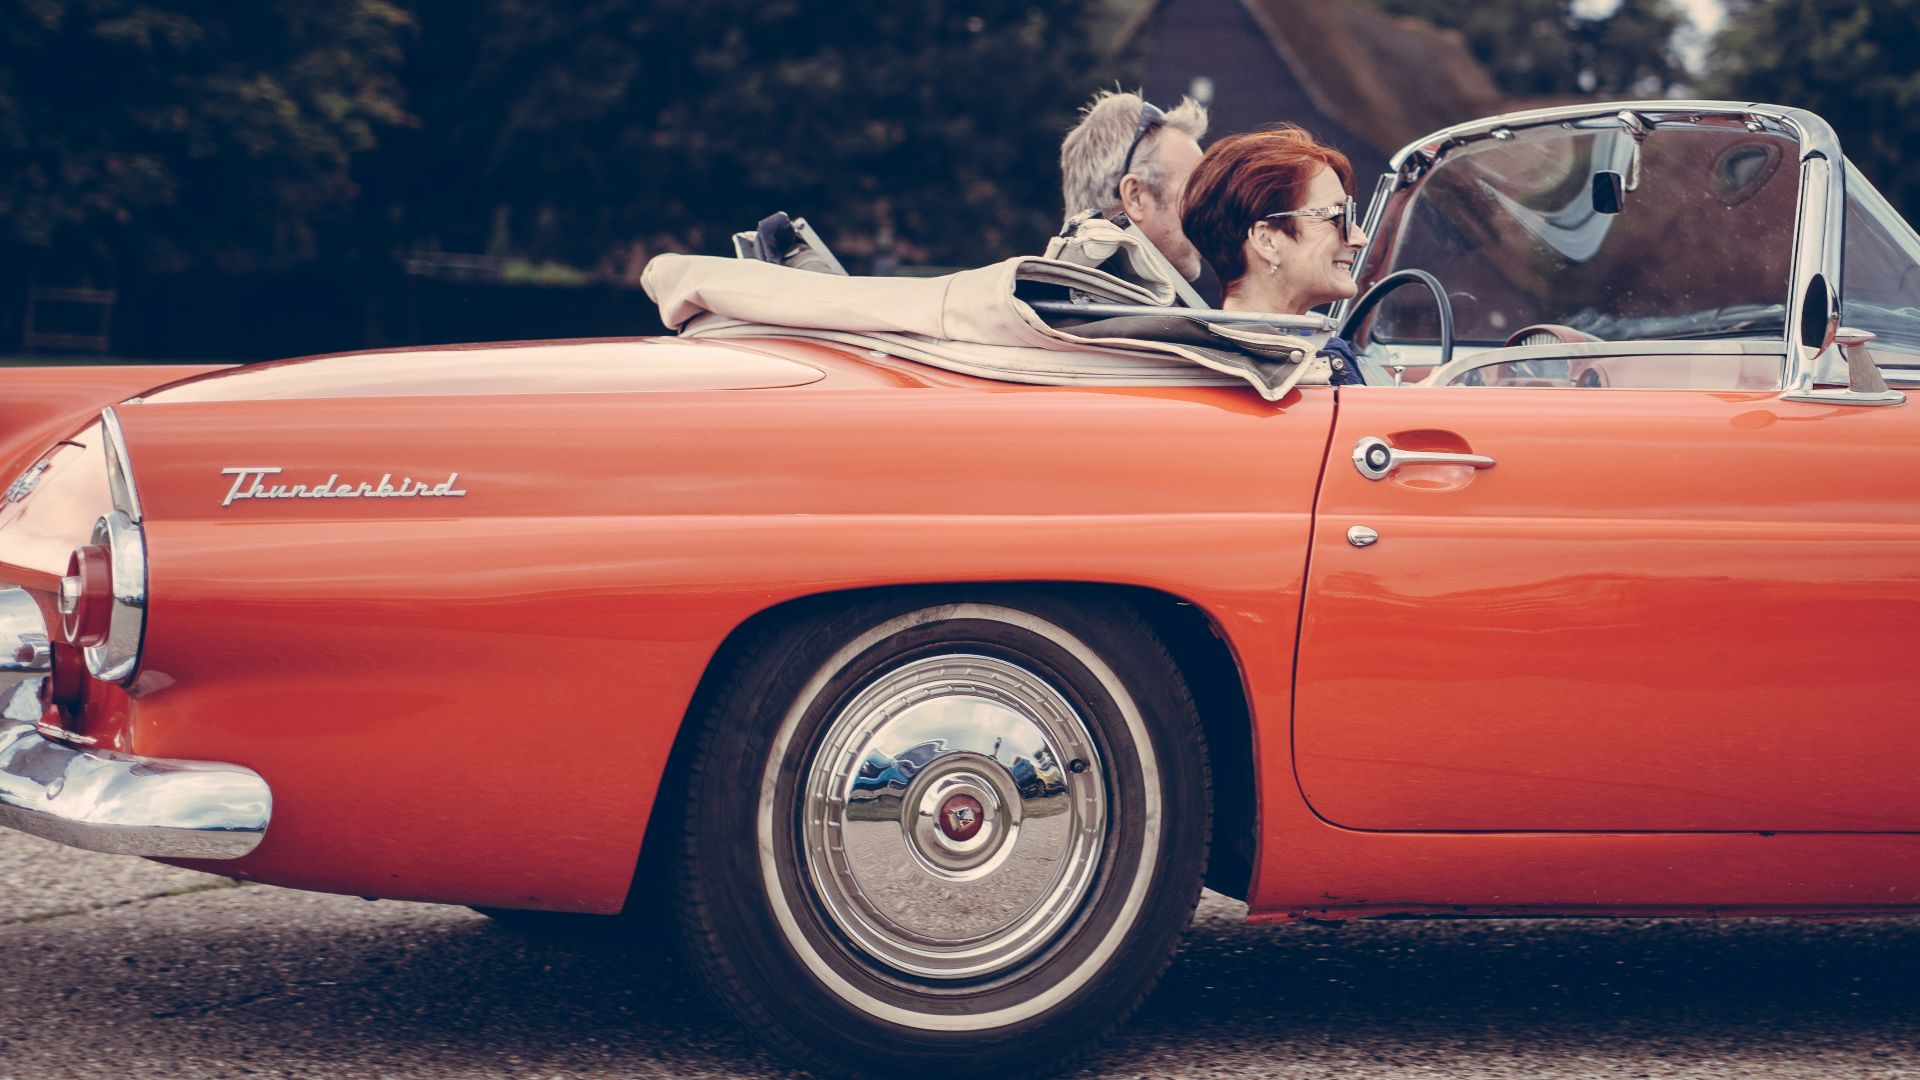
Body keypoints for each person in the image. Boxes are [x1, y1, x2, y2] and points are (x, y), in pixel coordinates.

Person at [1179, 124, 1370, 382]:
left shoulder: (1193, 366)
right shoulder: (1322, 364)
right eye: (1337, 217)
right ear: (1267, 240)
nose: (1359, 238)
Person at [1059, 90, 1214, 304]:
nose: (1212, 211)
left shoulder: (1041, 309)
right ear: (1135, 197)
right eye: (1196, 191)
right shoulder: (1144, 333)